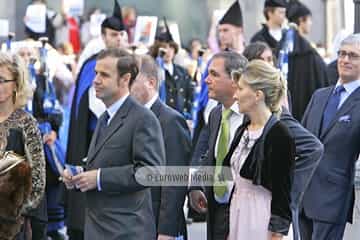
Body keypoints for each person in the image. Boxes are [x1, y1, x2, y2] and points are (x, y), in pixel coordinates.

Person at [189, 51, 323, 240]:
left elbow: (313, 149)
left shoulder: (274, 121)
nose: (206, 80)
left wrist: (281, 192)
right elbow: (215, 156)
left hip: (261, 218)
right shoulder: (216, 115)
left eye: (214, 74)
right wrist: (196, 184)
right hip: (227, 214)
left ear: (235, 80)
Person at [63, 48, 165, 239]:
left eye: (104, 75)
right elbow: (109, 161)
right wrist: (80, 174)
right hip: (98, 229)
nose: (95, 81)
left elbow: (151, 173)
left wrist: (100, 178)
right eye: (95, 73)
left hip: (126, 231)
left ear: (125, 79)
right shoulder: (104, 118)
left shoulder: (143, 118)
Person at [65, 1, 129, 239]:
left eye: (121, 34)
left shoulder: (129, 61)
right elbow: (93, 106)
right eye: (114, 34)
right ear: (104, 36)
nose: (119, 39)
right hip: (93, 138)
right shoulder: (93, 63)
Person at [225, 60, 295, 239]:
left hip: (261, 220)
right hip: (239, 215)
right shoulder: (243, 129)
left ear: (257, 95)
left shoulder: (280, 134)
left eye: (240, 89)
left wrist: (276, 235)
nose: (235, 95)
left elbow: (283, 195)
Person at [300, 34, 360, 240]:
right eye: (342, 54)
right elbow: (302, 141)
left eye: (353, 56)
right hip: (302, 197)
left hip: (332, 200)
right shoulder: (319, 95)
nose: (345, 60)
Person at [130, 55, 191, 240]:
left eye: (132, 79)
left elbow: (174, 179)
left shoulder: (170, 120)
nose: (126, 84)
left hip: (157, 225)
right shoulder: (128, 117)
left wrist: (166, 231)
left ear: (151, 82)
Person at [0, 52, 45, 239]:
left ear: (16, 84)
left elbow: (38, 181)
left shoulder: (26, 123)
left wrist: (15, 212)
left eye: (1, 79)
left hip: (12, 227)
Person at [277, 0, 329, 120]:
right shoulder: (308, 51)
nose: (311, 23)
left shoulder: (282, 46)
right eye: (309, 19)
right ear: (301, 20)